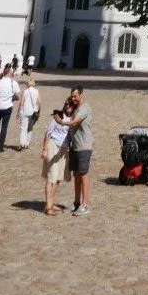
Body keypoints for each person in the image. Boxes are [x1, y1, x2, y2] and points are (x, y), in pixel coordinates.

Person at [64, 86, 93, 216]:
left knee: (83, 175)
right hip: (74, 146)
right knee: (76, 175)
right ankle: (76, 202)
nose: (73, 98)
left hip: (84, 147)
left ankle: (85, 204)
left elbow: (75, 122)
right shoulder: (75, 108)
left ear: (81, 94)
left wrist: (62, 122)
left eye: (75, 96)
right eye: (72, 96)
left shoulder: (85, 108)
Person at [41, 103, 73, 216]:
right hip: (53, 146)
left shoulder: (73, 118)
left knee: (59, 178)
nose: (68, 106)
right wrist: (45, 149)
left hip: (64, 149)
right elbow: (48, 133)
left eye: (71, 105)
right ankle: (48, 207)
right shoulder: (57, 116)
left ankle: (50, 202)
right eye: (67, 104)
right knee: (51, 176)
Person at [0, 63, 20, 152]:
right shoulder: (14, 83)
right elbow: (17, 97)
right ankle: (0, 147)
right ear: (9, 73)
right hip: (8, 107)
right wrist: (12, 98)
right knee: (4, 127)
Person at [17, 75, 41, 150]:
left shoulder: (25, 91)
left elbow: (21, 102)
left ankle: (22, 143)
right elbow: (39, 102)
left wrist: (18, 112)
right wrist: (39, 111)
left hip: (24, 111)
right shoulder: (36, 91)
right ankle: (27, 143)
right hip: (33, 112)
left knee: (23, 128)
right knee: (30, 128)